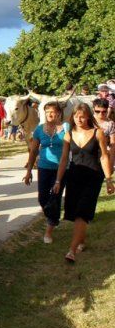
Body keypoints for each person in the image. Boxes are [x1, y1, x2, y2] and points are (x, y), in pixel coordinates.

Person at [53, 103, 114, 263]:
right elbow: (64, 159)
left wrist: (109, 179)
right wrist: (58, 180)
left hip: (93, 177)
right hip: (74, 176)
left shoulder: (98, 132)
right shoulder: (68, 135)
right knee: (74, 213)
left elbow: (104, 156)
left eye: (82, 116)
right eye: (76, 116)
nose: (79, 119)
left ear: (88, 116)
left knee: (82, 212)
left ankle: (71, 251)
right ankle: (81, 240)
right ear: (72, 117)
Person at [23, 102, 70, 244]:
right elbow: (33, 151)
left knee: (55, 198)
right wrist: (29, 171)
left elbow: (69, 149)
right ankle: (54, 217)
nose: (50, 114)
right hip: (43, 167)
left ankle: (49, 231)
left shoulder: (66, 128)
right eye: (47, 111)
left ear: (59, 114)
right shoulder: (38, 130)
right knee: (43, 199)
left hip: (61, 169)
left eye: (53, 111)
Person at [93, 98, 115, 171]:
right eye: (97, 111)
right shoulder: (88, 120)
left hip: (104, 154)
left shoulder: (110, 123)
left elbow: (113, 143)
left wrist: (111, 162)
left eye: (104, 112)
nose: (100, 114)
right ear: (93, 109)